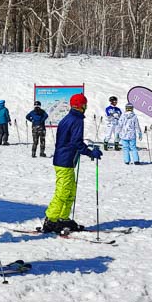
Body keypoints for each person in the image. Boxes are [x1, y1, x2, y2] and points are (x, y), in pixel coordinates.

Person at [43, 93, 102, 234]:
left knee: (70, 190)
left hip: (66, 160)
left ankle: (63, 218)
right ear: (81, 106)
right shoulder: (76, 120)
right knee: (63, 191)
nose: (86, 107)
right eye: (85, 104)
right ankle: (51, 220)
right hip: (64, 160)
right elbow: (76, 142)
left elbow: (71, 140)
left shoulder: (69, 118)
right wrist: (89, 152)